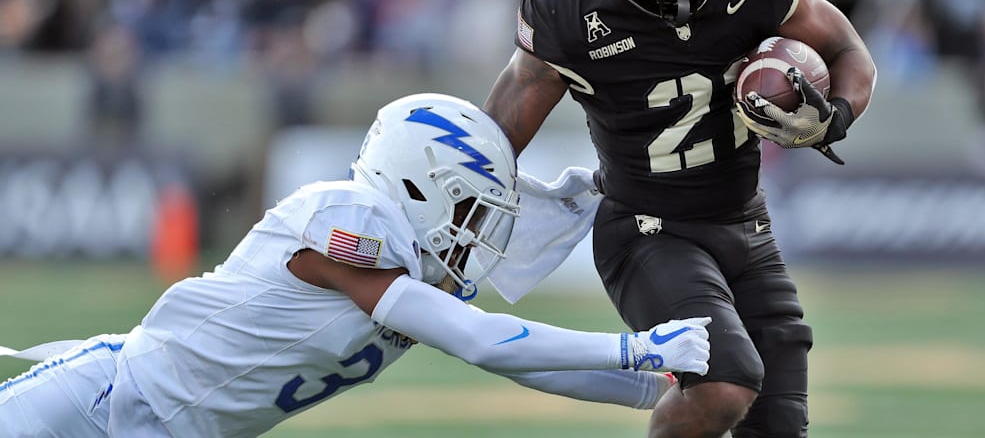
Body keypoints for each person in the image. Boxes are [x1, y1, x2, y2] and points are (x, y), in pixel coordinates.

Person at [0, 93, 712, 437]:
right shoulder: (346, 222)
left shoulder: (405, 267)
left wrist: (659, 389)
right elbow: (484, 342)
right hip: (102, 405)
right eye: (467, 210)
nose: (473, 233)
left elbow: (521, 357)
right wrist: (638, 347)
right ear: (416, 185)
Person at [482, 0, 877, 437]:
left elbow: (848, 49)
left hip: (748, 228)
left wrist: (837, 115)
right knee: (723, 381)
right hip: (647, 232)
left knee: (779, 425)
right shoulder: (569, 8)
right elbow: (497, 137)